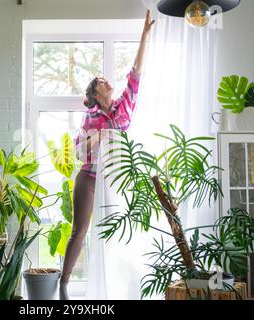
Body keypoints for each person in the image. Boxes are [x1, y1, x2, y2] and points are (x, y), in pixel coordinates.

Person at [59, 10, 155, 300]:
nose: (107, 80)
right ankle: (63, 284)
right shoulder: (89, 118)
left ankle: (119, 289)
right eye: (101, 80)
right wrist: (97, 137)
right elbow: (78, 152)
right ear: (95, 91)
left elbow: (136, 72)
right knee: (80, 231)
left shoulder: (124, 107)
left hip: (116, 180)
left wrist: (144, 36)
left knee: (120, 234)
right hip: (89, 179)